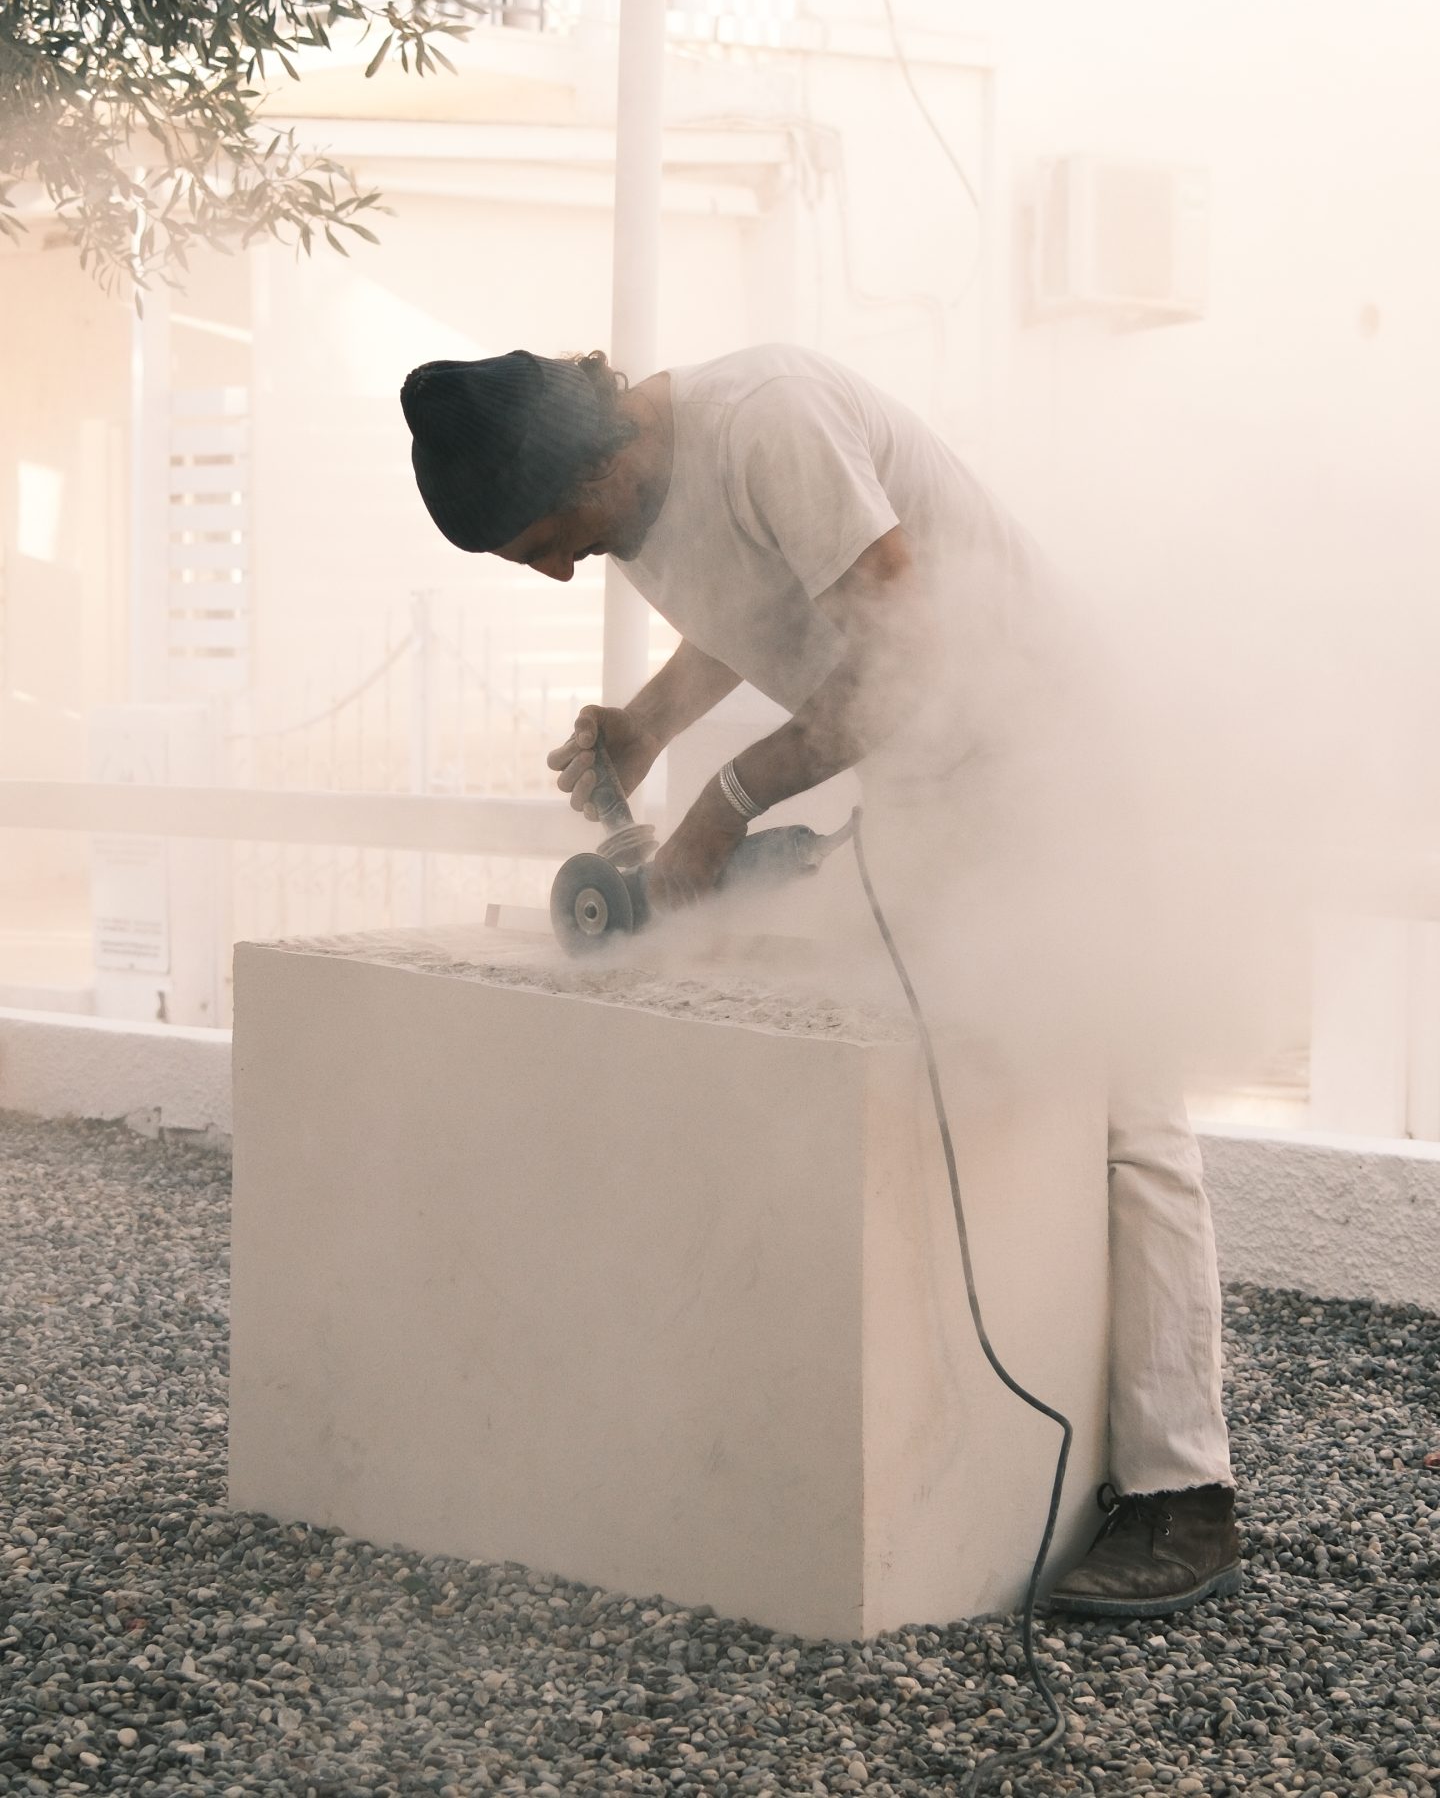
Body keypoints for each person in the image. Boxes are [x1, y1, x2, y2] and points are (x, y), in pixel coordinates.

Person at [398, 342, 1243, 1617]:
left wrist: (726, 803)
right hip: (927, 779)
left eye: (549, 542)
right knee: (911, 1041)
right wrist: (645, 726)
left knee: (1124, 1107)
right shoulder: (641, 495)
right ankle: (965, 1450)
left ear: (593, 462)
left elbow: (908, 655)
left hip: (1051, 750)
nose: (562, 570)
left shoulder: (770, 422)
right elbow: (754, 615)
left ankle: (1185, 1494)